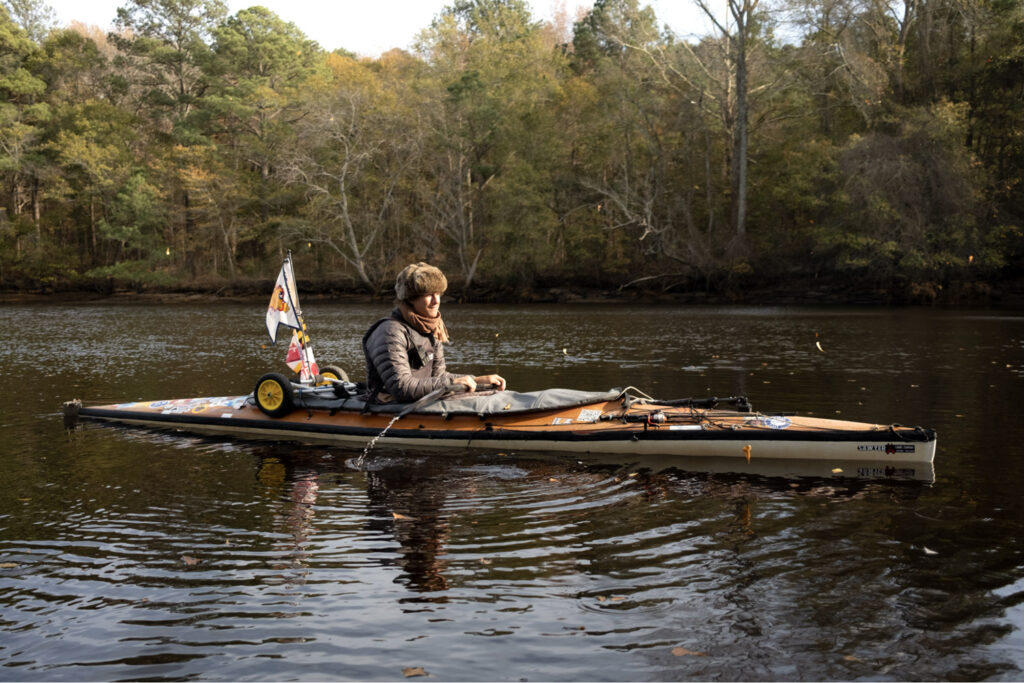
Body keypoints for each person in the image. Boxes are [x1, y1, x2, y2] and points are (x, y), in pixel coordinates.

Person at [362, 262, 506, 404]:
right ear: (411, 298)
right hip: (389, 404)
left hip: (424, 400)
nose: (436, 301)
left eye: (438, 294)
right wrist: (452, 382)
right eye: (429, 294)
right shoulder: (390, 332)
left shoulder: (431, 328)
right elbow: (402, 389)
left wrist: (475, 380)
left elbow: (438, 376)